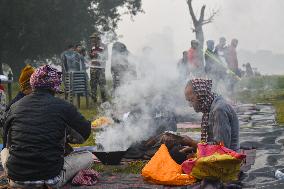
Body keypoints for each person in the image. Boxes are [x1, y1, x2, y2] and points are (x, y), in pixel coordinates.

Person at [1, 65, 93, 188]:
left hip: (17, 179)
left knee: (4, 151)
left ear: (32, 84)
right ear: (54, 88)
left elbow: (7, 141)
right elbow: (85, 132)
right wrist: (65, 134)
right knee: (88, 156)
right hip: (51, 179)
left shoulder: (15, 106)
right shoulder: (63, 106)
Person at [183, 78, 239, 151]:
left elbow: (221, 148)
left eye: (191, 100)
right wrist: (194, 148)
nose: (190, 105)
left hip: (229, 160)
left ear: (201, 95)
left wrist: (192, 143)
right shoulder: (210, 109)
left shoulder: (219, 110)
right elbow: (212, 142)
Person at [89, 33, 108, 103]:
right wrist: (91, 55)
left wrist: (98, 54)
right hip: (93, 68)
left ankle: (104, 101)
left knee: (102, 85)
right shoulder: (92, 47)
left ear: (97, 38)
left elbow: (106, 57)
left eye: (93, 38)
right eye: (91, 38)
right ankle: (94, 101)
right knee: (93, 85)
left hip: (101, 68)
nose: (92, 39)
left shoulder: (104, 46)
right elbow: (91, 57)